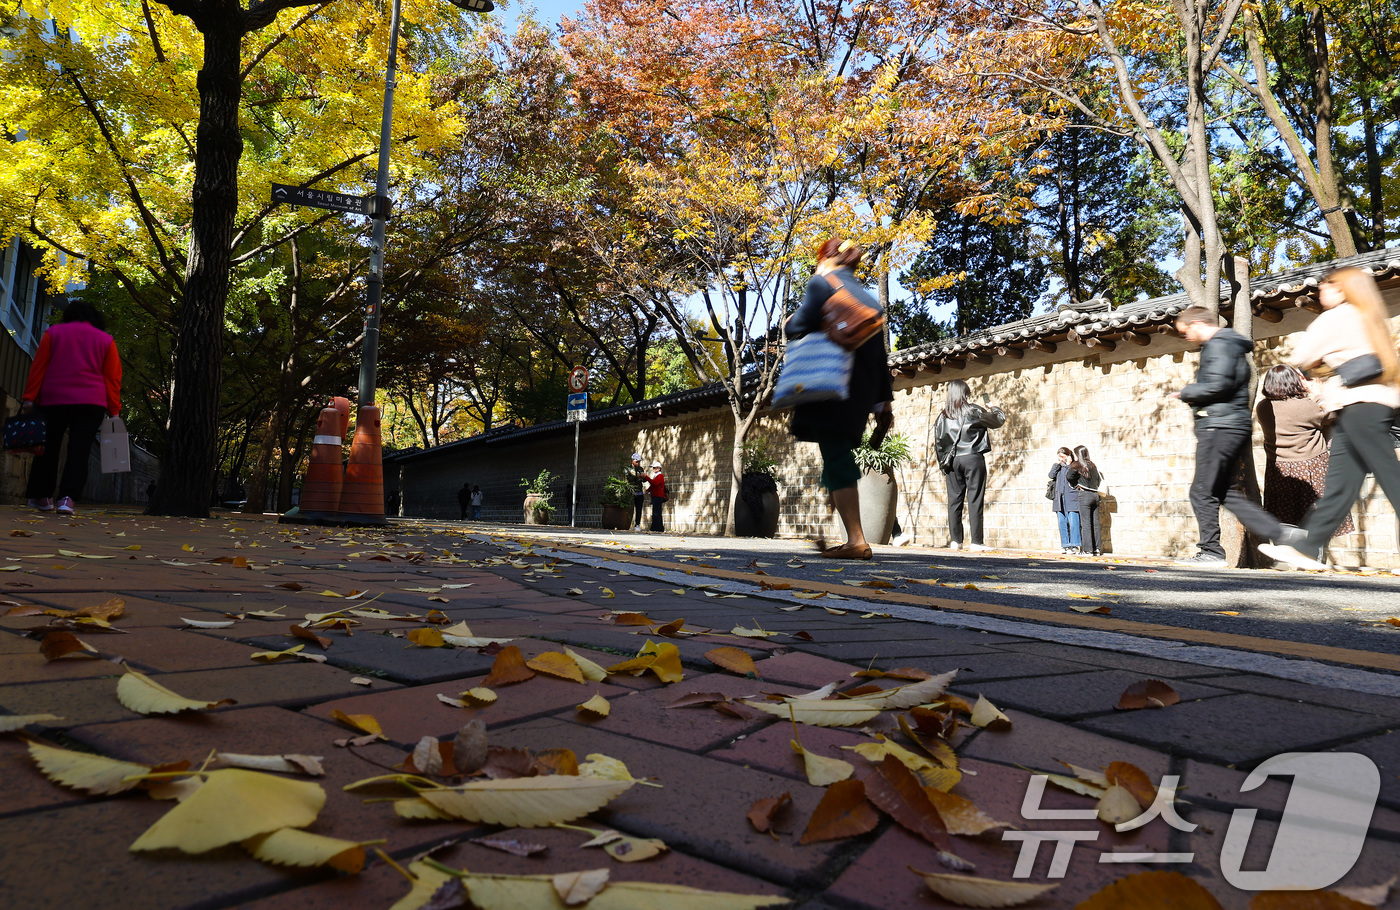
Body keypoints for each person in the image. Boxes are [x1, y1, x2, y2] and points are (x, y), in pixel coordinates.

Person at [1261, 268, 1400, 570]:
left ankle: (1307, 548)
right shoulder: (1369, 317)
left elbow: (1301, 355)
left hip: (1361, 408)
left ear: (1341, 289)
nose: (1319, 291)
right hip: (1366, 409)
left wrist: (1320, 369)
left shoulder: (1337, 317)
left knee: (1391, 480)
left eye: (1325, 285)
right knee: (1340, 487)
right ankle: (1307, 549)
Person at [785, 237, 893, 560]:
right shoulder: (868, 299)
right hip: (858, 393)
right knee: (837, 453)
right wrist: (882, 403)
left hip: (830, 383)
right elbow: (878, 357)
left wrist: (790, 322)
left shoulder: (823, 283)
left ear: (827, 259)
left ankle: (856, 540)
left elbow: (799, 327)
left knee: (836, 457)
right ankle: (843, 525)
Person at [1171, 306, 1302, 567]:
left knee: (1201, 492)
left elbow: (1219, 385)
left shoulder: (1219, 345)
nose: (1186, 337)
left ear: (1197, 323)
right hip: (1234, 426)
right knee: (1223, 492)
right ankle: (1282, 533)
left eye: (1186, 331)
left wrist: (1187, 392)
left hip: (1219, 426)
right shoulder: (1232, 345)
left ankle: (1211, 552)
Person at [22, 300, 122, 517]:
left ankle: (43, 496)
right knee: (80, 450)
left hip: (54, 399)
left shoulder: (53, 333)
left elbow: (38, 367)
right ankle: (67, 499)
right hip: (91, 402)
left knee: (47, 449)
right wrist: (114, 410)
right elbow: (112, 378)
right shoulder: (106, 340)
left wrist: (29, 397)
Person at [1255, 364, 1353, 551]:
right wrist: (1318, 394)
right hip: (1312, 465)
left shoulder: (1263, 407)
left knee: (1284, 517)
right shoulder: (1306, 406)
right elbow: (1330, 415)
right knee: (1316, 516)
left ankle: (1288, 554)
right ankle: (1312, 555)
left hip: (1279, 469)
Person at [933, 379, 1005, 551]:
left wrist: (943, 464)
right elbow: (998, 421)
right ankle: (976, 542)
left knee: (954, 500)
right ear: (965, 393)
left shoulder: (942, 416)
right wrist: (993, 407)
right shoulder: (973, 410)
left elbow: (938, 442)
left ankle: (955, 541)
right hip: (973, 458)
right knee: (975, 499)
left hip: (952, 461)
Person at [1071, 445, 1103, 556]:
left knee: (1086, 523)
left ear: (1078, 454)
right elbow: (1098, 480)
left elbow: (1069, 476)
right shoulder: (1093, 465)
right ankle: (1097, 549)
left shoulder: (1077, 465)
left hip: (1084, 495)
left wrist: (1076, 485)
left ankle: (1087, 550)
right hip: (1095, 495)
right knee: (1095, 523)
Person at [1048, 447, 1081, 554]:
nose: (1061, 459)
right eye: (1059, 456)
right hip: (1059, 498)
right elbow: (1051, 475)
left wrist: (1068, 464)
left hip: (1071, 497)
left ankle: (1074, 545)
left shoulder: (1074, 466)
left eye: (1063, 456)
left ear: (1068, 456)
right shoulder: (1057, 467)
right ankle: (1065, 545)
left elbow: (1071, 476)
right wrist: (1057, 464)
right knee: (1062, 521)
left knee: (1073, 521)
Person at [647, 461, 667, 532]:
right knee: (656, 511)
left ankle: (657, 527)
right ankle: (656, 527)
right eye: (653, 468)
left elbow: (654, 483)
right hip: (655, 495)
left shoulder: (660, 476)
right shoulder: (657, 476)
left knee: (657, 512)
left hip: (658, 496)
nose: (654, 469)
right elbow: (653, 485)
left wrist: (646, 477)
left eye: (655, 468)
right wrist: (648, 490)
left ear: (659, 468)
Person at [629, 452, 646, 531]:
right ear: (632, 461)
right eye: (636, 461)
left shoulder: (640, 469)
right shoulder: (628, 469)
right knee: (630, 509)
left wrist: (644, 477)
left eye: (639, 461)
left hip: (639, 492)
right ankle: (628, 524)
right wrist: (638, 477)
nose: (638, 463)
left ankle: (637, 524)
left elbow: (644, 480)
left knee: (639, 509)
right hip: (631, 492)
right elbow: (629, 479)